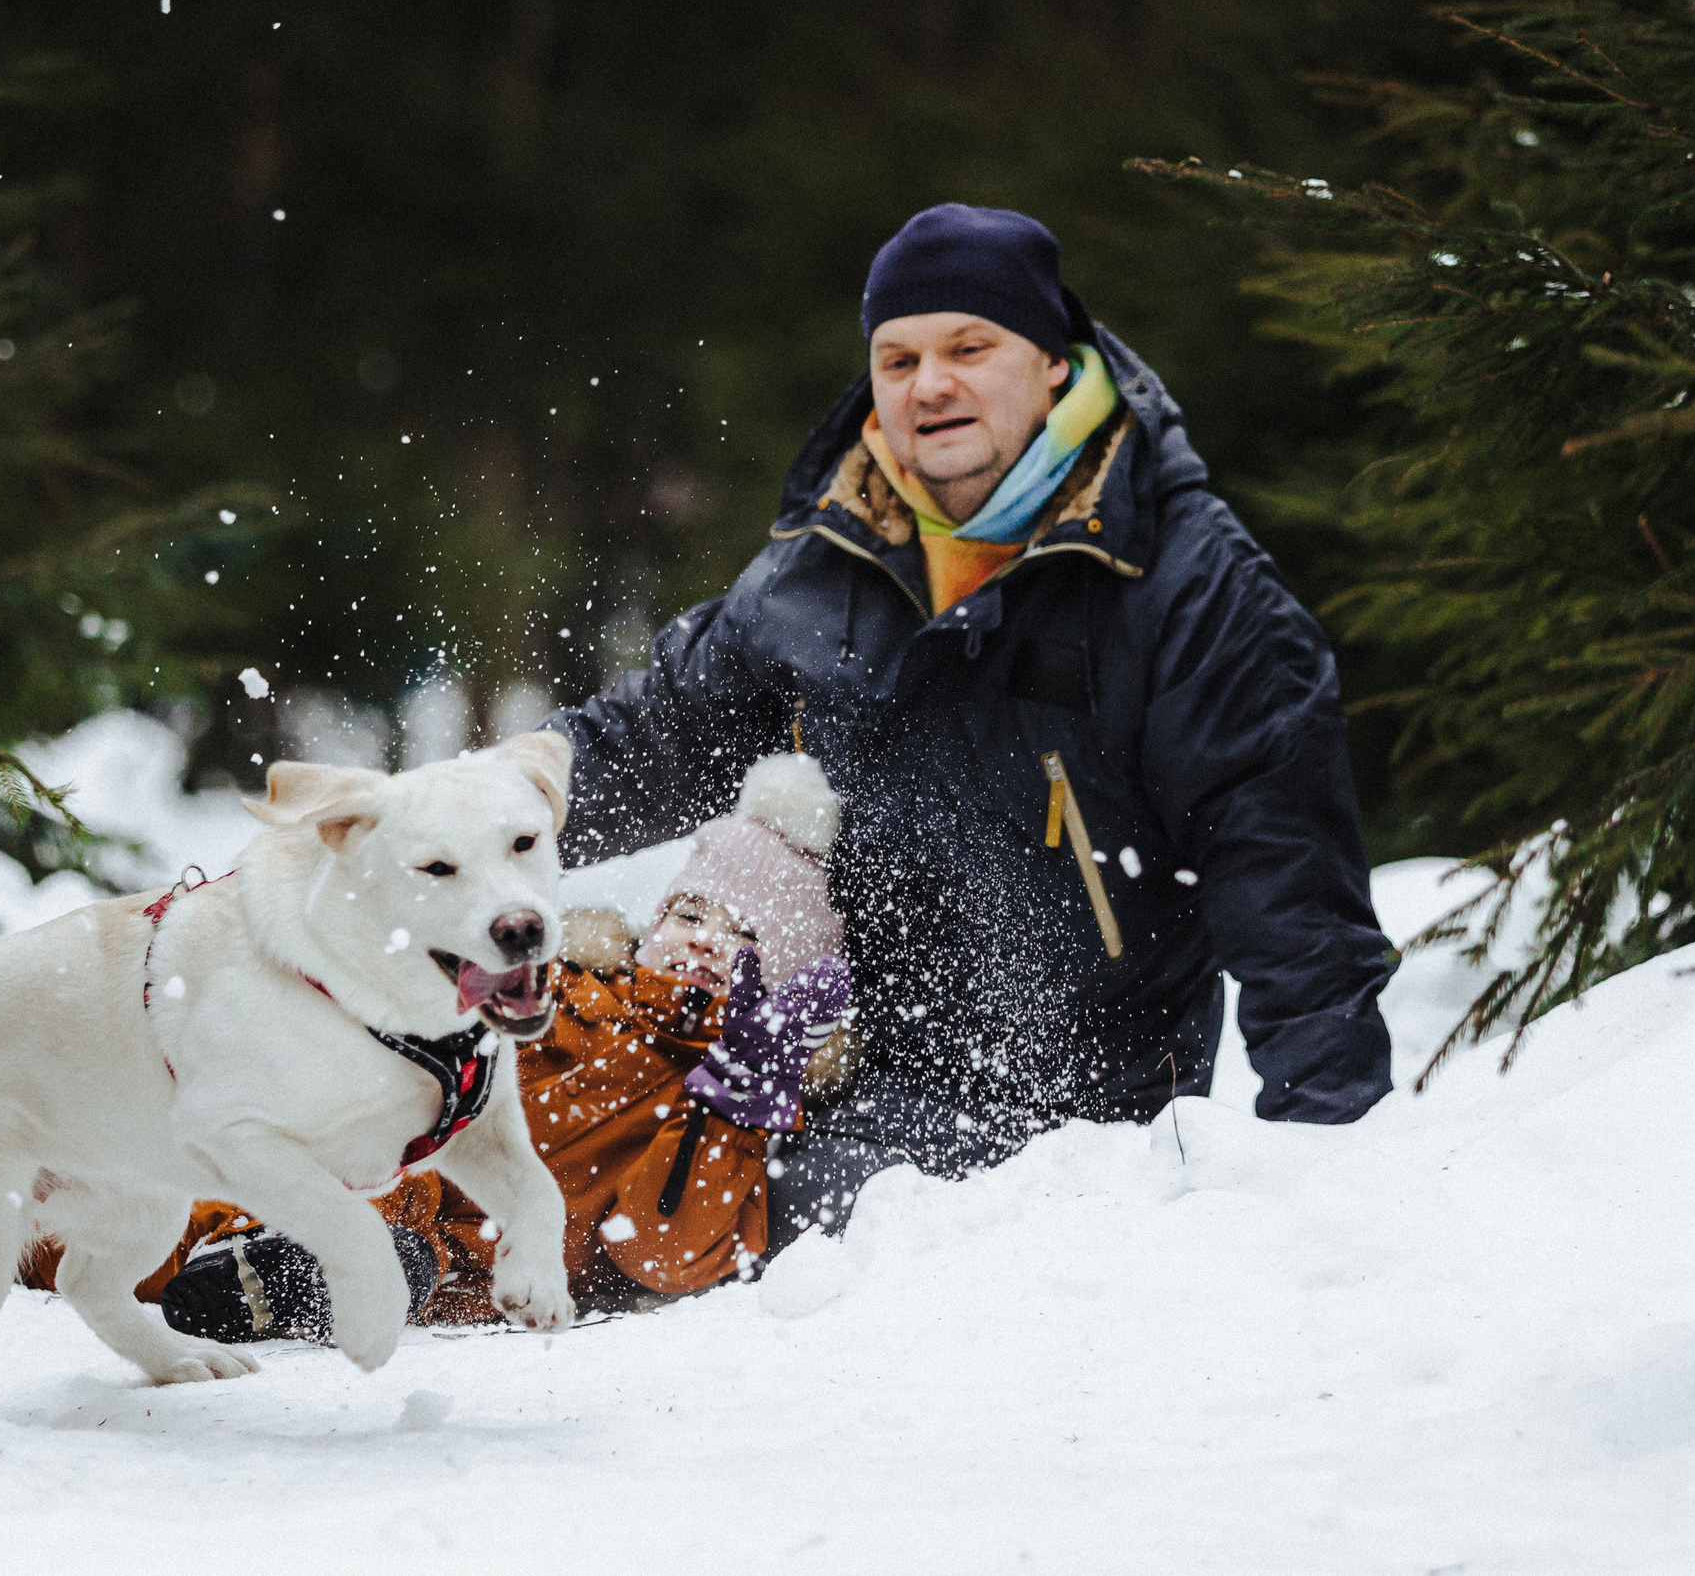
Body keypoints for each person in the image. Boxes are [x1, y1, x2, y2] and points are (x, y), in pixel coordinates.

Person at [548, 202, 1397, 1246]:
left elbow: (1296, 915)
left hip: (1075, 1131)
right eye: (896, 358)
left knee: (652, 1217)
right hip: (830, 1070)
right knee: (552, 1105)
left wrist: (1327, 1199)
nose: (928, 384)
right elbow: (655, 737)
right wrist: (485, 811)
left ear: (1052, 362)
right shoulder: (830, 561)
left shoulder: (1185, 588)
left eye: (968, 347)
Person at [18, 753, 853, 1337]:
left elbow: (670, 1254)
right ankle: (124, 1220)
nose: (703, 943)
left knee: (374, 1226)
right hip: (383, 1165)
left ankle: (263, 1268)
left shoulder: (712, 1098)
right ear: (653, 921)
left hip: (451, 1254)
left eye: (745, 937)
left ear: (775, 985)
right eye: (691, 914)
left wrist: (740, 1090)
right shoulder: (557, 984)